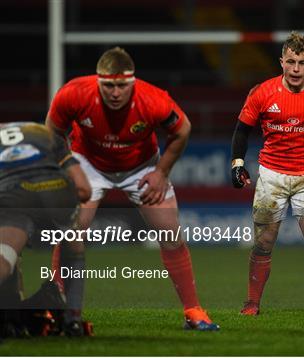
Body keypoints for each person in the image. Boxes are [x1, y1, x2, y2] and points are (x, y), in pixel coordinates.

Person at [45, 47, 219, 332]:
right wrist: (68, 167)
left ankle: (193, 311)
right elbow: (52, 129)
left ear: (132, 82)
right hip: (88, 163)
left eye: (122, 85)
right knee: (71, 232)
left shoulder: (153, 99)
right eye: (109, 85)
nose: (115, 92)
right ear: (98, 81)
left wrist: (161, 172)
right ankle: (59, 309)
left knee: (170, 233)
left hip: (141, 166)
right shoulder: (74, 93)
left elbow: (182, 129)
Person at [231, 31, 304, 317]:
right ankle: (252, 303)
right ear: (281, 61)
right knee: (263, 242)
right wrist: (237, 163)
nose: (296, 69)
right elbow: (241, 131)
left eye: (302, 63)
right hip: (272, 175)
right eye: (291, 62)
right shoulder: (262, 92)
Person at [0, 121, 91, 337]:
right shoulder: (46, 134)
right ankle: (73, 320)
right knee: (75, 249)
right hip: (55, 189)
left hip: (13, 194)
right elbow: (84, 189)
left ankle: (11, 317)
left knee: (6, 259)